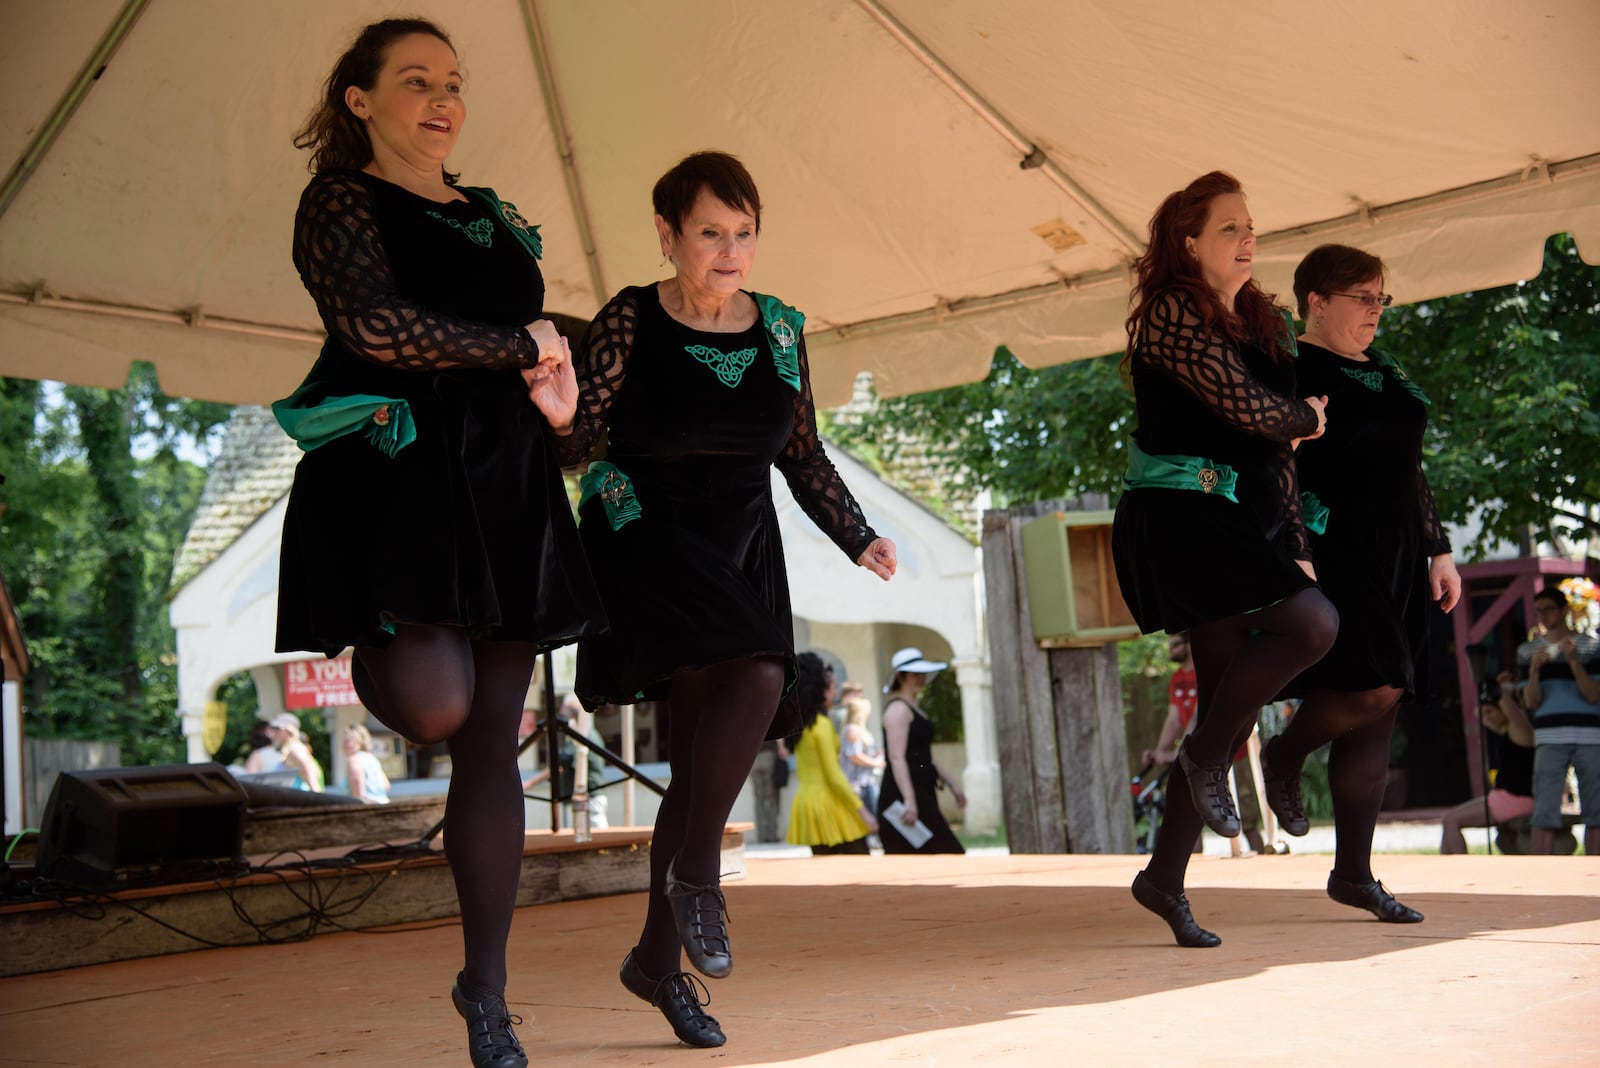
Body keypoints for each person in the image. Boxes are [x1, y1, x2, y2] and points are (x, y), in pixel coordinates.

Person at [273, 18, 607, 1068]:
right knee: (433, 703)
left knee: (487, 745)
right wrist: (524, 343)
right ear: (360, 100)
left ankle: (488, 992)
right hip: (401, 480)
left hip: (507, 487)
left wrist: (565, 408)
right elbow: (375, 326)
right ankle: (368, 627)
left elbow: (561, 389)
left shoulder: (498, 220)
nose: (442, 98)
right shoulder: (340, 200)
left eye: (454, 83)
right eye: (414, 80)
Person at [540, 151, 898, 1048]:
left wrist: (857, 535)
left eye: (744, 233)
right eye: (711, 233)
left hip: (744, 539)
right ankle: (700, 876)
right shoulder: (630, 317)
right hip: (646, 528)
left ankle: (657, 963)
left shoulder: (779, 331)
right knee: (764, 677)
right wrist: (554, 413)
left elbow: (802, 451)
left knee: (702, 764)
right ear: (669, 235)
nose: (731, 250)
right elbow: (585, 438)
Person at [1111, 171, 1339, 948]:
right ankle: (1207, 761)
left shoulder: (1265, 321)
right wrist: (1303, 417)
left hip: (1237, 519)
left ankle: (1163, 880)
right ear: (1189, 242)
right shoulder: (1173, 312)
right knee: (1312, 628)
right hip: (1175, 515)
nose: (1247, 240)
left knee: (1226, 698)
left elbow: (1279, 456)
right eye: (1229, 228)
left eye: (1250, 227)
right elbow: (1246, 410)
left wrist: (1298, 548)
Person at [1261, 244, 1461, 922]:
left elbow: (1411, 466)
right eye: (1363, 298)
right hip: (1335, 546)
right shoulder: (1289, 370)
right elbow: (1274, 468)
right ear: (1316, 301)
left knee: (1381, 708)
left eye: (1383, 298)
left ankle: (1353, 875)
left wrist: (1439, 548)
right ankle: (1284, 754)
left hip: (1405, 554)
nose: (1377, 310)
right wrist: (1292, 547)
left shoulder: (1387, 371)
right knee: (1373, 682)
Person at [1518, 584, 1600, 856]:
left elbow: (1593, 696)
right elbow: (1531, 702)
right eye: (1538, 610)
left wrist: (1574, 662)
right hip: (1549, 736)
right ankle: (1542, 876)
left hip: (1590, 735)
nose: (1543, 616)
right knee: (1544, 808)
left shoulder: (1591, 646)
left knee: (1596, 809)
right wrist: (1533, 673)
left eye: (1549, 609)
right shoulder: (1529, 650)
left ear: (1563, 610)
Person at [786, 654, 878, 854]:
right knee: (860, 866)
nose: (836, 692)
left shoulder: (802, 726)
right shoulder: (822, 725)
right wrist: (863, 812)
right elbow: (834, 776)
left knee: (826, 877)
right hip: (828, 804)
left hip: (807, 804)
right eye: (833, 687)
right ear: (819, 689)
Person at [877, 647, 966, 854]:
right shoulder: (897, 710)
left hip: (922, 790)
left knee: (937, 855)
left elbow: (925, 755)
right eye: (914, 674)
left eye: (922, 674)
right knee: (945, 852)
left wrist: (952, 784)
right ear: (900, 676)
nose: (920, 679)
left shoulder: (915, 708)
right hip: (903, 795)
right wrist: (909, 800)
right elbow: (896, 757)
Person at [1440, 677, 1534, 853]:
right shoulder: (1504, 731)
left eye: (1490, 712)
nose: (1486, 718)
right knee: (1448, 819)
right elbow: (1477, 712)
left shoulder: (1521, 730)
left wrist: (1499, 689)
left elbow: (1511, 710)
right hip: (1504, 798)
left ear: (1503, 710)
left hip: (1517, 800)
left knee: (1451, 821)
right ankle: (1447, 868)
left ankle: (1460, 870)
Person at [839, 693, 886, 818]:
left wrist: (875, 755)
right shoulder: (852, 730)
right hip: (858, 784)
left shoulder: (857, 729)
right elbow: (854, 756)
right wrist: (876, 763)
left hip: (866, 781)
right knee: (871, 819)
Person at [266, 713, 326, 792]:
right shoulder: (291, 750)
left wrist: (318, 798)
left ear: (288, 731)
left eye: (277, 729)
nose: (273, 734)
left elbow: (309, 771)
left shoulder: (295, 749)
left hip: (302, 802)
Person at [344, 724, 392, 804]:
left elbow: (359, 795)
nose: (343, 745)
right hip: (384, 805)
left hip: (370, 810)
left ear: (359, 742)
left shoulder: (354, 760)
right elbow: (386, 786)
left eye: (347, 741)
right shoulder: (372, 758)